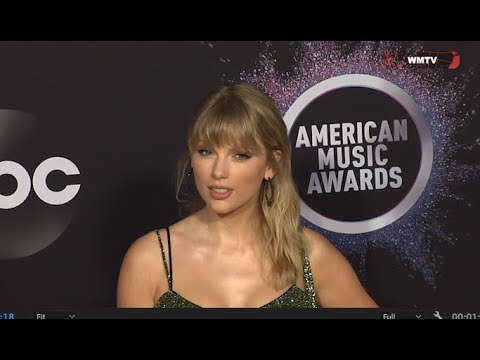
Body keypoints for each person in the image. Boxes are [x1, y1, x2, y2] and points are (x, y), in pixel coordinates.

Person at [117, 82, 378, 308]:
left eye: (240, 155)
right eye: (206, 152)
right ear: (191, 155)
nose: (218, 171)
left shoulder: (309, 256)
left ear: (270, 164)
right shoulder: (150, 260)